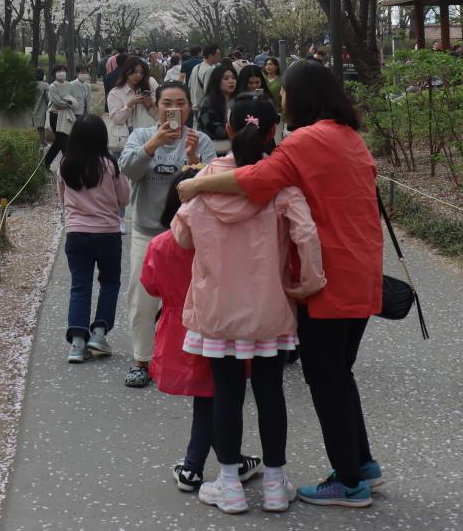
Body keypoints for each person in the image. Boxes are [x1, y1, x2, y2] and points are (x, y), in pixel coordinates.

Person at [178, 61, 383, 509]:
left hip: (327, 277)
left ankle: (349, 481)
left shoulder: (311, 139)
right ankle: (361, 462)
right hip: (361, 269)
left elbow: (259, 179)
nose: (281, 98)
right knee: (338, 373)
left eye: (284, 91)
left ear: (302, 95)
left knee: (325, 378)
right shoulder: (348, 135)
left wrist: (195, 186)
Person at [174, 95, 326, 514]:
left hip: (217, 307)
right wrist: (307, 284)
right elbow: (307, 236)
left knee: (226, 392)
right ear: (273, 132)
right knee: (270, 391)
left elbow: (182, 237)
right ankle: (276, 484)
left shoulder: (202, 179)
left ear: (228, 130)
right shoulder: (281, 184)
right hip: (268, 308)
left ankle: (229, 484)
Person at [138, 171, 263, 496]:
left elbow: (151, 285)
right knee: (215, 396)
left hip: (178, 330)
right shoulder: (221, 242)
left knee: (208, 397)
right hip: (217, 325)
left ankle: (227, 459)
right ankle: (197, 467)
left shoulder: (160, 244)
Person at [118, 82, 217, 388]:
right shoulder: (142, 135)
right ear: (157, 106)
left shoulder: (200, 140)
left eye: (180, 103)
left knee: (194, 298)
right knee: (142, 297)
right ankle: (141, 360)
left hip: (188, 236)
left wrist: (192, 160)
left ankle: (191, 358)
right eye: (166, 103)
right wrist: (152, 146)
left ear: (189, 108)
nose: (173, 109)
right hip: (147, 231)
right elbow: (128, 171)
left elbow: (211, 186)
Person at [59, 117, 130, 363]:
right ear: (103, 138)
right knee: (110, 283)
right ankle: (98, 333)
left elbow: (63, 197)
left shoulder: (66, 164)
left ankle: (77, 343)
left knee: (80, 285)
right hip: (107, 233)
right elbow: (124, 199)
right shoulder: (110, 165)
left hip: (76, 233)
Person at [106, 56, 159, 158]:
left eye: (141, 73)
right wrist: (130, 104)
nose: (138, 75)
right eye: (135, 72)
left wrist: (149, 105)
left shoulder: (149, 86)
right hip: (125, 136)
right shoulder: (115, 93)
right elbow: (116, 119)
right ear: (127, 71)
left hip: (147, 134)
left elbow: (158, 115)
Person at [196, 64, 237, 154]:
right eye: (226, 78)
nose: (231, 81)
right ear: (217, 81)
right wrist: (239, 132)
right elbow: (213, 129)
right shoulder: (208, 103)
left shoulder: (238, 100)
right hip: (214, 150)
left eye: (233, 78)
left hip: (234, 149)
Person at [44, 64, 79, 169]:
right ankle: (68, 164)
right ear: (54, 73)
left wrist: (67, 101)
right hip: (55, 116)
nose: (61, 72)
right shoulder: (52, 86)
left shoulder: (69, 85)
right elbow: (57, 102)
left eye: (63, 70)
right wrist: (68, 101)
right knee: (62, 139)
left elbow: (74, 100)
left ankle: (48, 163)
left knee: (61, 140)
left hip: (67, 116)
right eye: (59, 70)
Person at [188, 44, 222, 111]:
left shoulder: (196, 67)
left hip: (195, 106)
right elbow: (209, 92)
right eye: (218, 54)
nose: (220, 56)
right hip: (205, 108)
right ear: (210, 56)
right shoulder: (210, 70)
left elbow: (189, 85)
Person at [31, 68, 50, 149]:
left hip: (31, 109)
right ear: (42, 75)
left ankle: (35, 143)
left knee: (33, 127)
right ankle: (43, 144)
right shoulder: (45, 85)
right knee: (41, 128)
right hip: (41, 110)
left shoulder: (30, 84)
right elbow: (48, 98)